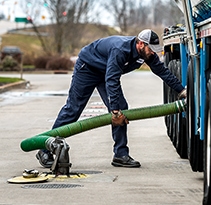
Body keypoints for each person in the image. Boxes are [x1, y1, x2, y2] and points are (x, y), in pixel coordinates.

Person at [35, 29, 187, 168]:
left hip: (105, 72)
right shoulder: (120, 49)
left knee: (121, 108)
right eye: (151, 49)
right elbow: (112, 79)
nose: (153, 53)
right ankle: (45, 150)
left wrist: (181, 90)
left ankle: (120, 155)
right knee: (73, 110)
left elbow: (162, 71)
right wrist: (114, 111)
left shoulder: (145, 54)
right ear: (141, 44)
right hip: (87, 68)